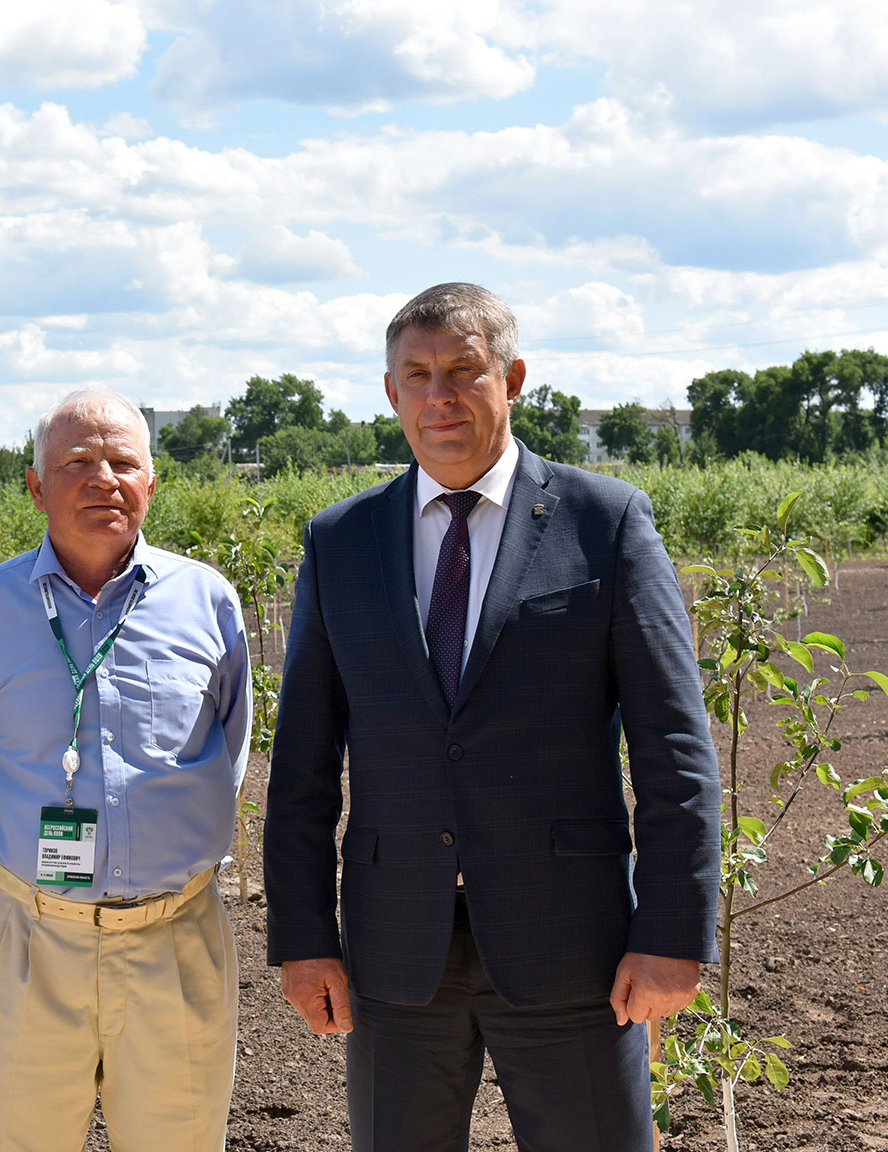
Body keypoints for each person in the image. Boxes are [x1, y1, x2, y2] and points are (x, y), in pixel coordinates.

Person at [263, 283, 721, 1152]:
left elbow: (674, 751)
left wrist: (672, 933)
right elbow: (303, 767)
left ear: (511, 379)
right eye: (417, 375)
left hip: (573, 952)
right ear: (391, 392)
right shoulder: (340, 541)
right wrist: (303, 936)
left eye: (464, 371)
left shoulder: (606, 523)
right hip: (396, 955)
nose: (439, 396)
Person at [0, 386, 252, 1152]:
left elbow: (230, 753)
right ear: (36, 486)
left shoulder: (208, 602)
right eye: (77, 461)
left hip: (177, 938)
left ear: (151, 482)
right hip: (29, 940)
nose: (103, 479)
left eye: (122, 462)